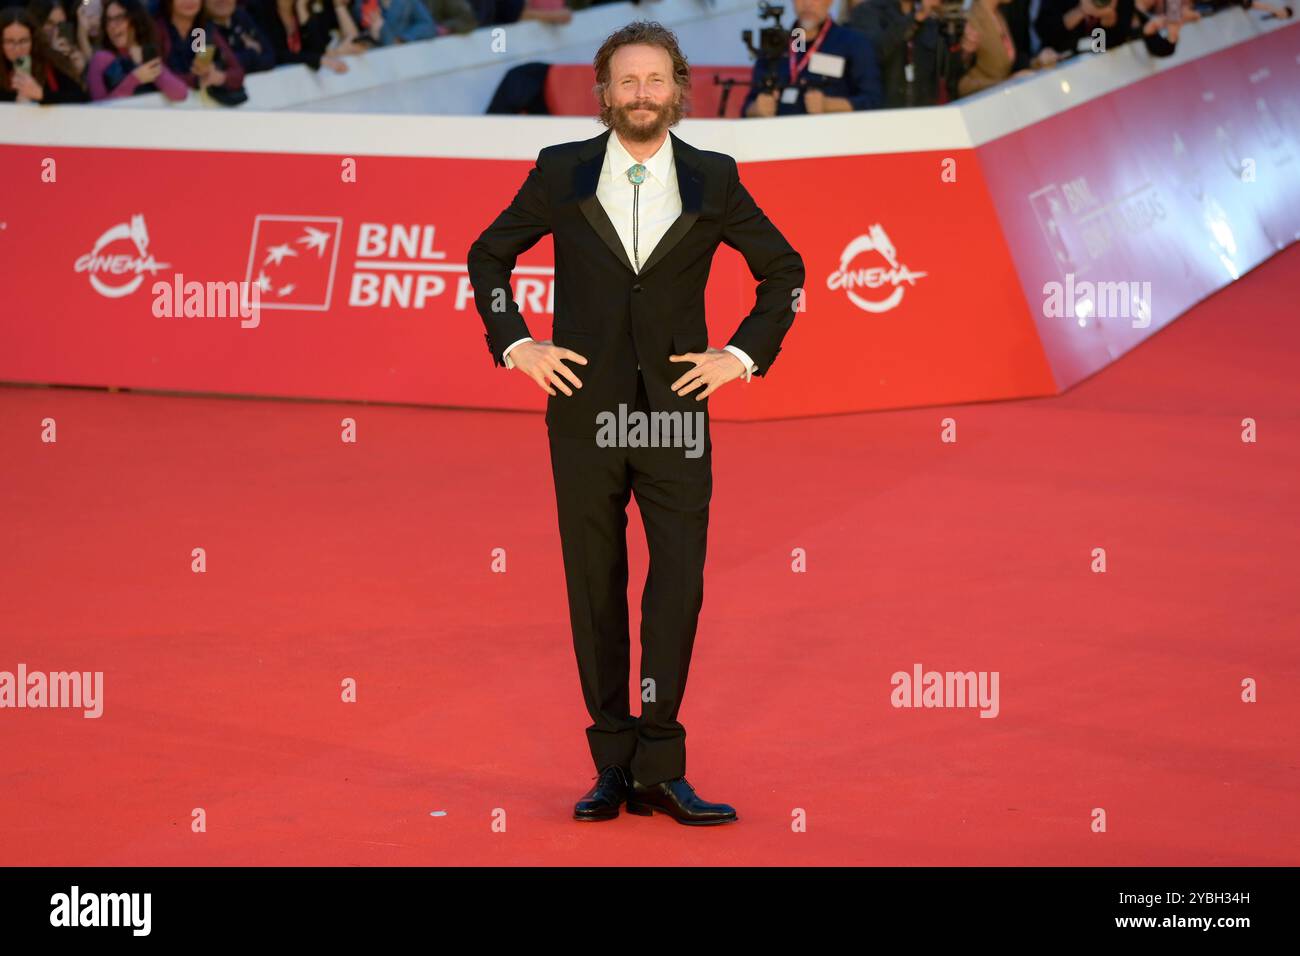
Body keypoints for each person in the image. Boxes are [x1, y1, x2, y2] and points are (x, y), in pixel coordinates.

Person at [467, 20, 804, 825]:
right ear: (605, 92)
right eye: (627, 81)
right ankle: (610, 763)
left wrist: (742, 356)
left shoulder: (715, 176)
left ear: (677, 89)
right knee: (596, 589)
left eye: (655, 80)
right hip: (584, 413)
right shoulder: (562, 170)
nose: (642, 94)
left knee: (677, 590)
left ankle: (661, 760)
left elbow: (784, 272)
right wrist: (515, 341)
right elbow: (488, 255)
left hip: (678, 418)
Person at [743, 0, 884, 116]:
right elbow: (747, 108)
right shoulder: (776, 43)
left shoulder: (853, 42)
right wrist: (756, 109)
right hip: (778, 140)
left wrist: (829, 105)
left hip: (832, 140)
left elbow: (874, 100)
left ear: (830, 2)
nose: (808, 4)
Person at [848, 0, 966, 107]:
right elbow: (871, 54)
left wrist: (964, 51)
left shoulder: (931, 20)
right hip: (882, 114)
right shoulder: (867, 11)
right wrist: (916, 18)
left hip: (924, 115)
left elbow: (947, 74)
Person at [87, 0, 188, 99]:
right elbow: (99, 108)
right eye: (108, 20)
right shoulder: (101, 58)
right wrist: (135, 79)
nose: (112, 26)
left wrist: (148, 63)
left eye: (119, 18)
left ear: (135, 20)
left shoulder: (147, 53)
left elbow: (180, 94)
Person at [156, 0, 245, 95]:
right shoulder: (157, 29)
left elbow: (237, 72)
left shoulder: (206, 29)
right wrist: (196, 80)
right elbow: (157, 74)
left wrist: (218, 77)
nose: (189, 2)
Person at [1, 4, 87, 100]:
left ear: (33, 40)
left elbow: (81, 98)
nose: (17, 49)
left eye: (23, 41)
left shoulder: (49, 61)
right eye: (9, 42)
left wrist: (41, 94)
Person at [203, 0, 275, 74]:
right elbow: (206, 71)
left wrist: (228, 59)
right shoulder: (201, 30)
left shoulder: (241, 16)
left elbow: (270, 58)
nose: (222, 1)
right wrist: (252, 53)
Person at [350, 0, 434, 45]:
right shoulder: (363, 3)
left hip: (408, 54)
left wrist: (403, 39)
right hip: (377, 57)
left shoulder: (409, 2)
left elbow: (428, 26)